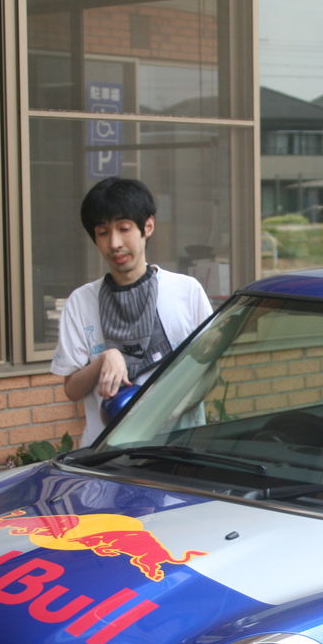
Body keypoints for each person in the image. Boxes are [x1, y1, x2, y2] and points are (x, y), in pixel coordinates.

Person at [52, 177, 213, 444]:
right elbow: (72, 389)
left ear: (147, 226)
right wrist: (104, 359)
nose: (114, 243)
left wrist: (161, 413)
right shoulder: (81, 301)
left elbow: (209, 369)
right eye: (103, 233)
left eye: (124, 228)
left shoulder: (186, 291)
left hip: (179, 450)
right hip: (106, 454)